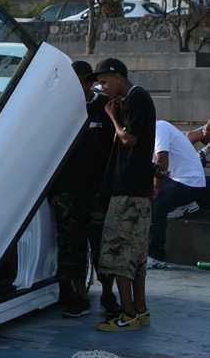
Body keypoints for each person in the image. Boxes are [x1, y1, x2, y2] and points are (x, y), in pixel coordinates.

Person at [90, 58, 155, 332]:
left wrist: (112, 116)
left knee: (118, 254)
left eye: (104, 81)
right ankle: (140, 312)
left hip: (128, 192)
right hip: (136, 191)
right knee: (136, 257)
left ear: (117, 77)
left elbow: (128, 139)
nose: (102, 87)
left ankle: (127, 314)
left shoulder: (137, 97)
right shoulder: (132, 99)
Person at [50, 61, 116, 318]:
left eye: (80, 82)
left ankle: (109, 294)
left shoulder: (104, 108)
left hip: (97, 191)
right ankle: (77, 296)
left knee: (101, 244)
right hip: (66, 190)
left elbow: (114, 150)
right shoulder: (58, 110)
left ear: (89, 82)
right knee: (70, 244)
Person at [148, 120, 206, 269]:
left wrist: (156, 188)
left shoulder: (158, 127)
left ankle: (155, 256)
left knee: (157, 204)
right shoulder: (150, 134)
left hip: (189, 182)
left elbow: (162, 159)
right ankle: (185, 205)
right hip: (181, 180)